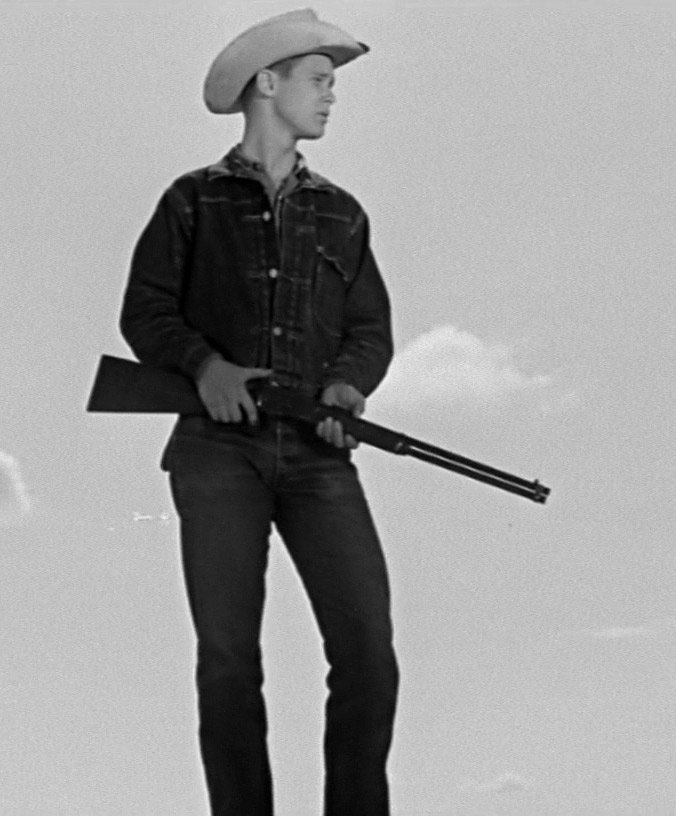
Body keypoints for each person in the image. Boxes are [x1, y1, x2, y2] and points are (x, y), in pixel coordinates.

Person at [119, 10, 397, 815]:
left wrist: (346, 387)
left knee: (368, 653)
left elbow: (369, 330)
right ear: (267, 84)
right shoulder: (192, 201)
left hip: (318, 456)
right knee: (228, 661)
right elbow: (146, 312)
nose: (331, 97)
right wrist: (204, 367)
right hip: (216, 454)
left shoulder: (342, 212)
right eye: (320, 80)